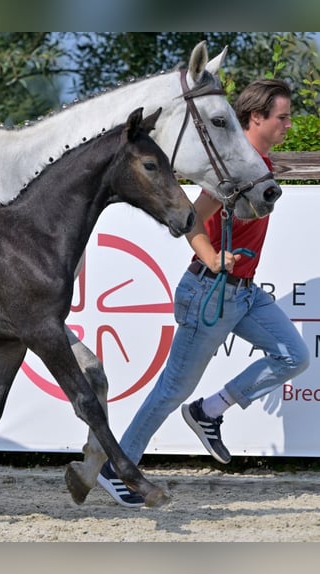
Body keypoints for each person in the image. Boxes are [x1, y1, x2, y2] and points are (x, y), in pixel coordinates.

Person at [98, 78, 310, 507]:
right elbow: (190, 218)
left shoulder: (258, 163)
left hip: (245, 294)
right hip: (211, 292)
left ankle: (209, 411)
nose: (289, 125)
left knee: (294, 355)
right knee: (171, 389)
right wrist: (213, 258)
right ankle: (115, 470)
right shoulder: (231, 166)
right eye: (282, 117)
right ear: (256, 118)